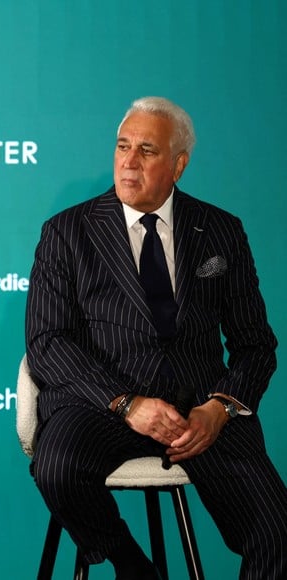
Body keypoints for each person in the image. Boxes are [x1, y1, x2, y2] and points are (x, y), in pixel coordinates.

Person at [25, 96, 287, 579]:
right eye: (123, 146)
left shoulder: (222, 232)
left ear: (178, 165)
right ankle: (133, 567)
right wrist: (127, 403)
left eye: (146, 150)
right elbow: (48, 343)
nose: (128, 161)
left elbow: (256, 344)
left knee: (277, 530)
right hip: (105, 406)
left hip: (200, 414)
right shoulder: (67, 232)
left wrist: (221, 407)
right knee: (57, 467)